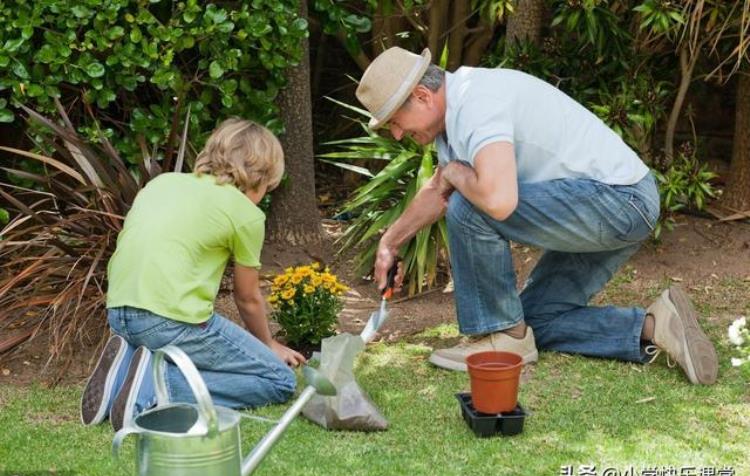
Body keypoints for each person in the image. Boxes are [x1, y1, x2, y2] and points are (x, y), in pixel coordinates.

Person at [354, 46, 718, 384]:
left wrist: (455, 175)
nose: (399, 134)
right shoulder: (453, 121)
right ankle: (657, 325)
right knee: (536, 322)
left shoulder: (476, 102)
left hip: (618, 201)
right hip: (605, 205)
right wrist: (390, 242)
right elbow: (437, 191)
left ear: (422, 95)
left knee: (470, 204)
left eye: (396, 122)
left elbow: (497, 202)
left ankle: (501, 338)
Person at [80, 118, 305, 431]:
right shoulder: (246, 214)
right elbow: (248, 297)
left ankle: (124, 376)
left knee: (167, 345)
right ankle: (157, 387)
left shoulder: (162, 183)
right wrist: (268, 345)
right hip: (170, 322)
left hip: (118, 313)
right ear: (263, 175)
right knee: (278, 379)